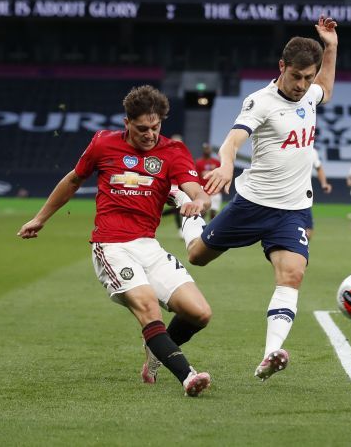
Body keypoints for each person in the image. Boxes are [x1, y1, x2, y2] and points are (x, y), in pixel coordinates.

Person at [17, 85, 213, 397]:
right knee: (150, 308)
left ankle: (155, 349)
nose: (149, 135)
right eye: (142, 128)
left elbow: (197, 189)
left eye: (155, 127)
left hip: (148, 246)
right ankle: (188, 376)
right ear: (126, 123)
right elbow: (72, 180)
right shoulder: (102, 144)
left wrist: (198, 203)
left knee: (199, 313)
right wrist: (40, 218)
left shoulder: (172, 152)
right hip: (112, 245)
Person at [172, 15, 338, 382]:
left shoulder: (310, 92)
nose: (302, 85)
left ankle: (270, 354)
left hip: (292, 208)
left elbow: (326, 86)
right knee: (197, 257)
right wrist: (227, 167)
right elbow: (233, 140)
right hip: (252, 203)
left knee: (292, 274)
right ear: (282, 67)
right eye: (296, 76)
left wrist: (332, 46)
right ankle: (188, 214)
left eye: (307, 77)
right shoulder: (259, 102)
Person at [304, 146, 333, 241]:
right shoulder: (287, 147)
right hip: (284, 196)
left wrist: (324, 184)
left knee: (309, 232)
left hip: (303, 197)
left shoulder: (311, 151)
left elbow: (319, 168)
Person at [195, 142, 222, 220]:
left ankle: (211, 230)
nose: (207, 150)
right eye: (205, 149)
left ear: (211, 150)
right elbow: (196, 177)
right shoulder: (198, 162)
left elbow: (220, 176)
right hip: (203, 191)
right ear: (203, 150)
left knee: (213, 211)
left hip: (214, 190)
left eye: (208, 148)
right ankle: (202, 229)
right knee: (203, 212)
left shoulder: (216, 162)